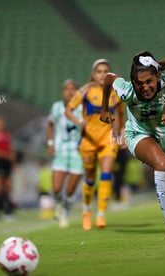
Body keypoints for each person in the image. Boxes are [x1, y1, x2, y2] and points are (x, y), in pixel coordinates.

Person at [101, 51, 165, 244]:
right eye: (140, 83)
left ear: (157, 76)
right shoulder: (127, 90)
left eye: (149, 81)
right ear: (133, 81)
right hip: (139, 134)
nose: (145, 87)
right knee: (162, 165)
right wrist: (104, 109)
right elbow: (108, 79)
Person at [65, 59, 124, 230]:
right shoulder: (86, 90)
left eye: (106, 71)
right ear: (93, 74)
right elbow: (68, 110)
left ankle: (101, 215)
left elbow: (121, 114)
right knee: (90, 177)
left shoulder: (116, 92)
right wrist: (79, 121)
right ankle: (86, 211)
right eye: (99, 71)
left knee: (106, 172)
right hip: (89, 139)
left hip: (108, 138)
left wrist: (122, 135)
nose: (102, 74)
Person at [47, 79, 84, 228]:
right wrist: (50, 143)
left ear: (77, 91)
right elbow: (50, 124)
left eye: (73, 88)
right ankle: (58, 204)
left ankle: (64, 215)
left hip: (78, 152)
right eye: (66, 89)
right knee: (56, 188)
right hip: (61, 151)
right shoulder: (56, 107)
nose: (70, 92)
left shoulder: (82, 107)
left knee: (70, 190)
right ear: (63, 92)